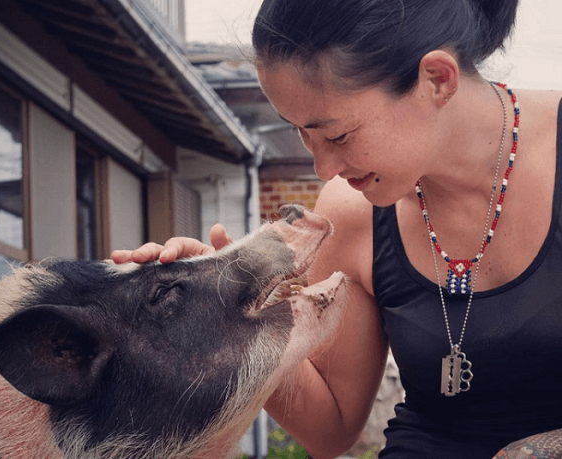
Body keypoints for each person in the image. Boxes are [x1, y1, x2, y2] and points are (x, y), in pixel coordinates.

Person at [112, 0, 562, 457]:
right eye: (302, 135)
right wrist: (232, 319)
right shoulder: (353, 210)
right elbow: (329, 431)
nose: (324, 169)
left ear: (436, 80)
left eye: (338, 135)